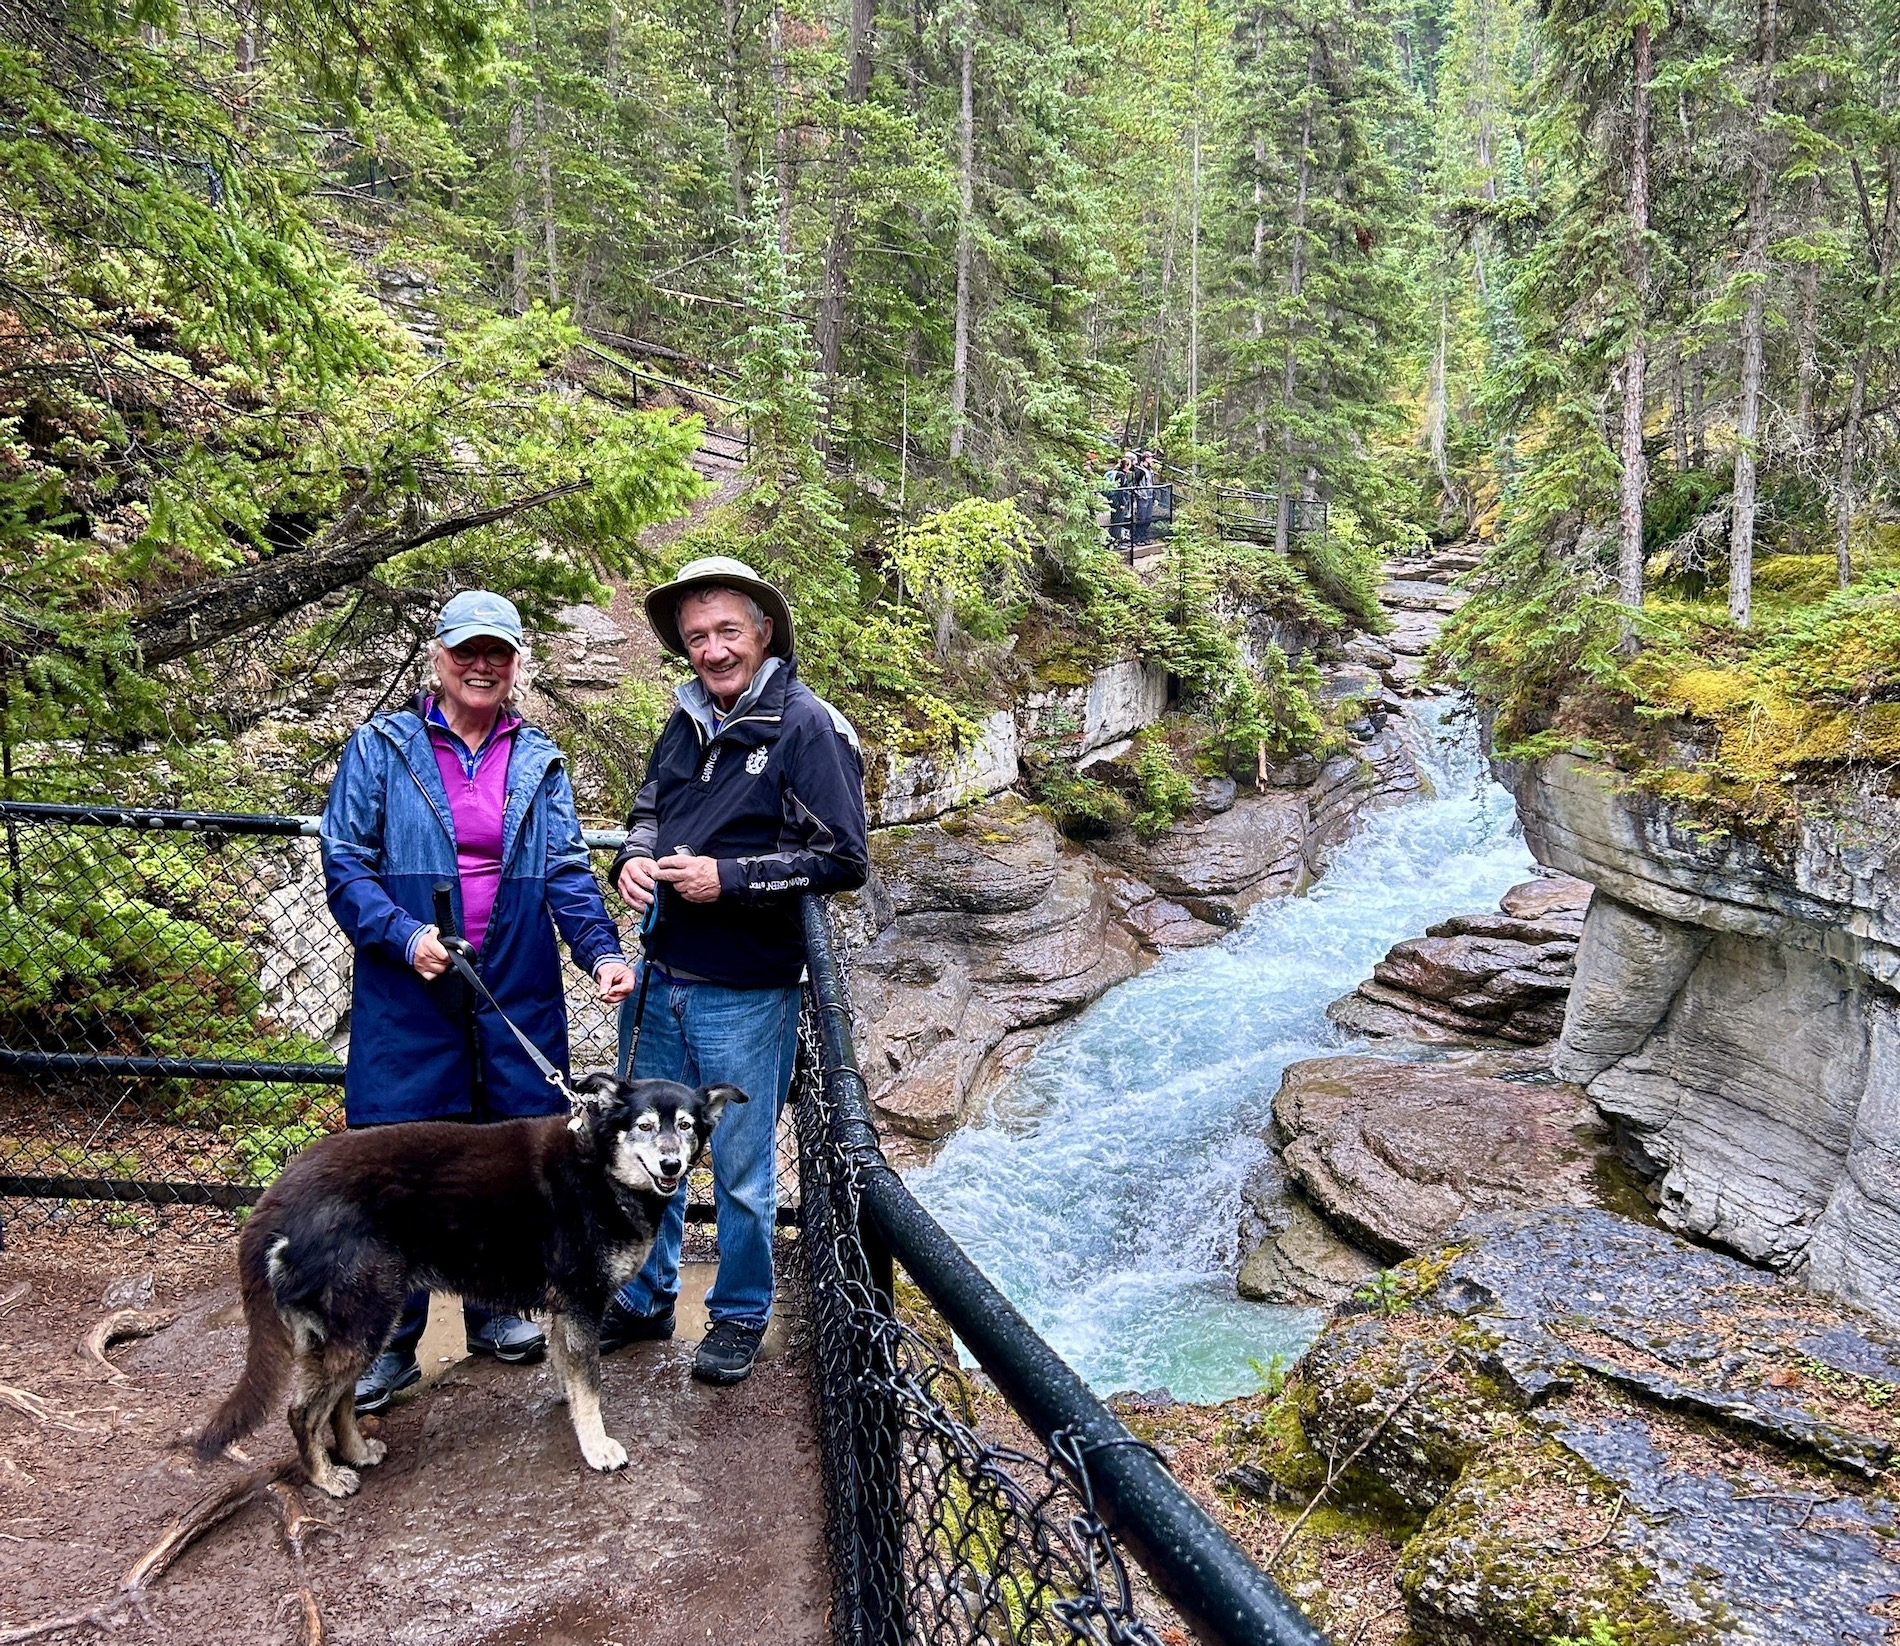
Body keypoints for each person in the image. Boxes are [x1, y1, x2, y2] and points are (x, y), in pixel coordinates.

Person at [321, 589, 638, 1414]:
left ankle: (501, 1311)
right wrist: (400, 933)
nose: (482, 665)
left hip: (514, 984)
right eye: (468, 650)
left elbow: (567, 870)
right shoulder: (383, 746)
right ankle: (387, 1341)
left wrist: (600, 950)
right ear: (439, 656)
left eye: (498, 652)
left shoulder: (539, 757)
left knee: (512, 1151)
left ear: (519, 663)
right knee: (397, 1160)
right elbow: (346, 861)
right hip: (411, 984)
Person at [600, 555, 869, 1385]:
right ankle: (647, 1298)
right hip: (662, 977)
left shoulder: (806, 726)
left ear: (763, 633)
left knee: (744, 1171)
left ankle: (741, 1313)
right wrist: (633, 866)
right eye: (696, 638)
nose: (712, 651)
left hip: (747, 992)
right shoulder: (684, 721)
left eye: (726, 632)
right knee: (645, 1155)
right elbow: (648, 813)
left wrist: (732, 879)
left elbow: (843, 858)